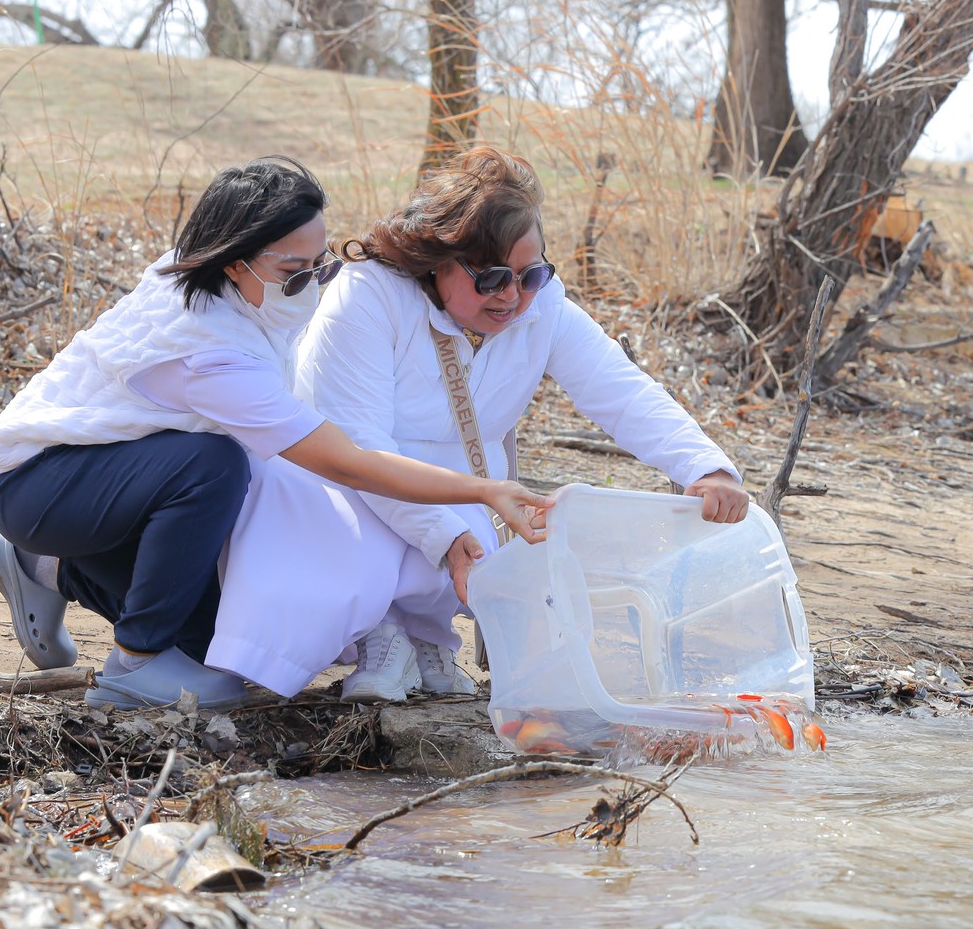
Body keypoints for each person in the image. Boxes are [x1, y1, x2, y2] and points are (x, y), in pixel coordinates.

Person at [0, 158, 549, 712]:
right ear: (233, 261)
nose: (309, 283)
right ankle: (134, 664)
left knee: (219, 643)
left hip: (119, 473)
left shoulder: (241, 289)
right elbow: (348, 461)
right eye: (291, 271)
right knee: (213, 466)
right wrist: (481, 491)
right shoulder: (207, 350)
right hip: (39, 481)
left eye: (319, 265)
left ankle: (45, 568)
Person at [241, 145, 748, 702]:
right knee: (373, 539)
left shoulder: (543, 304)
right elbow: (355, 447)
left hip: (469, 488)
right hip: (343, 483)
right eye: (492, 278)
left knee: (486, 526)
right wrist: (444, 535)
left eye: (531, 274)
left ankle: (427, 636)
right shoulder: (366, 294)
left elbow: (620, 390)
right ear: (437, 258)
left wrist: (706, 466)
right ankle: (379, 635)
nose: (513, 296)